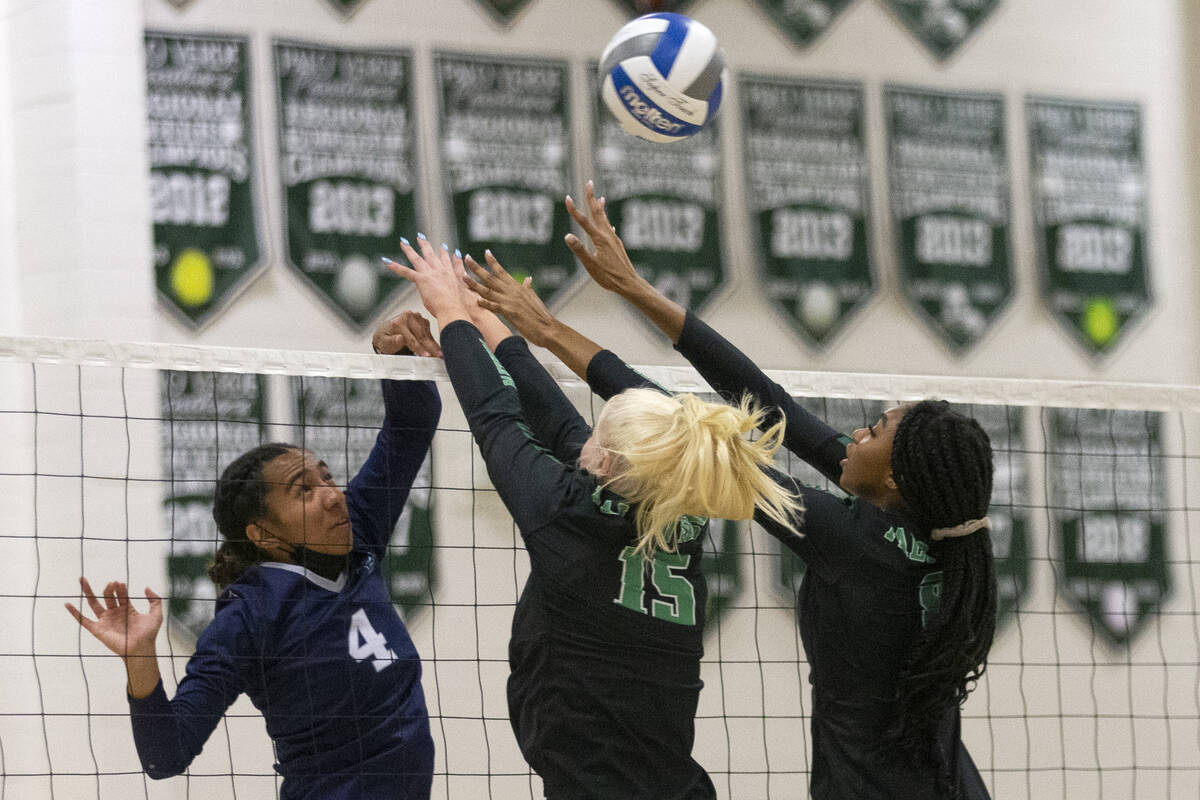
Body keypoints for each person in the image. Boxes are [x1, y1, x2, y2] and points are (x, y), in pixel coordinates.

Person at [467, 183, 998, 800]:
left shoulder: (857, 541)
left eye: (875, 430)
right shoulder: (936, 540)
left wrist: (552, 332)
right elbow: (774, 405)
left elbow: (689, 432)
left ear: (897, 477)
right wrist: (635, 291)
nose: (856, 431)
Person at [384, 236, 802, 800]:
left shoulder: (564, 515)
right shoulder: (676, 511)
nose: (583, 437)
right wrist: (487, 319)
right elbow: (558, 424)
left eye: (597, 433)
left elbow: (495, 414)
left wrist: (452, 313)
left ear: (602, 464)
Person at [65, 311, 442, 800]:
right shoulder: (250, 618)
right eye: (303, 490)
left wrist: (395, 358)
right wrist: (141, 658)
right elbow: (165, 756)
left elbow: (411, 428)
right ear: (263, 534)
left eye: (326, 477)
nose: (332, 495)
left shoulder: (356, 533)